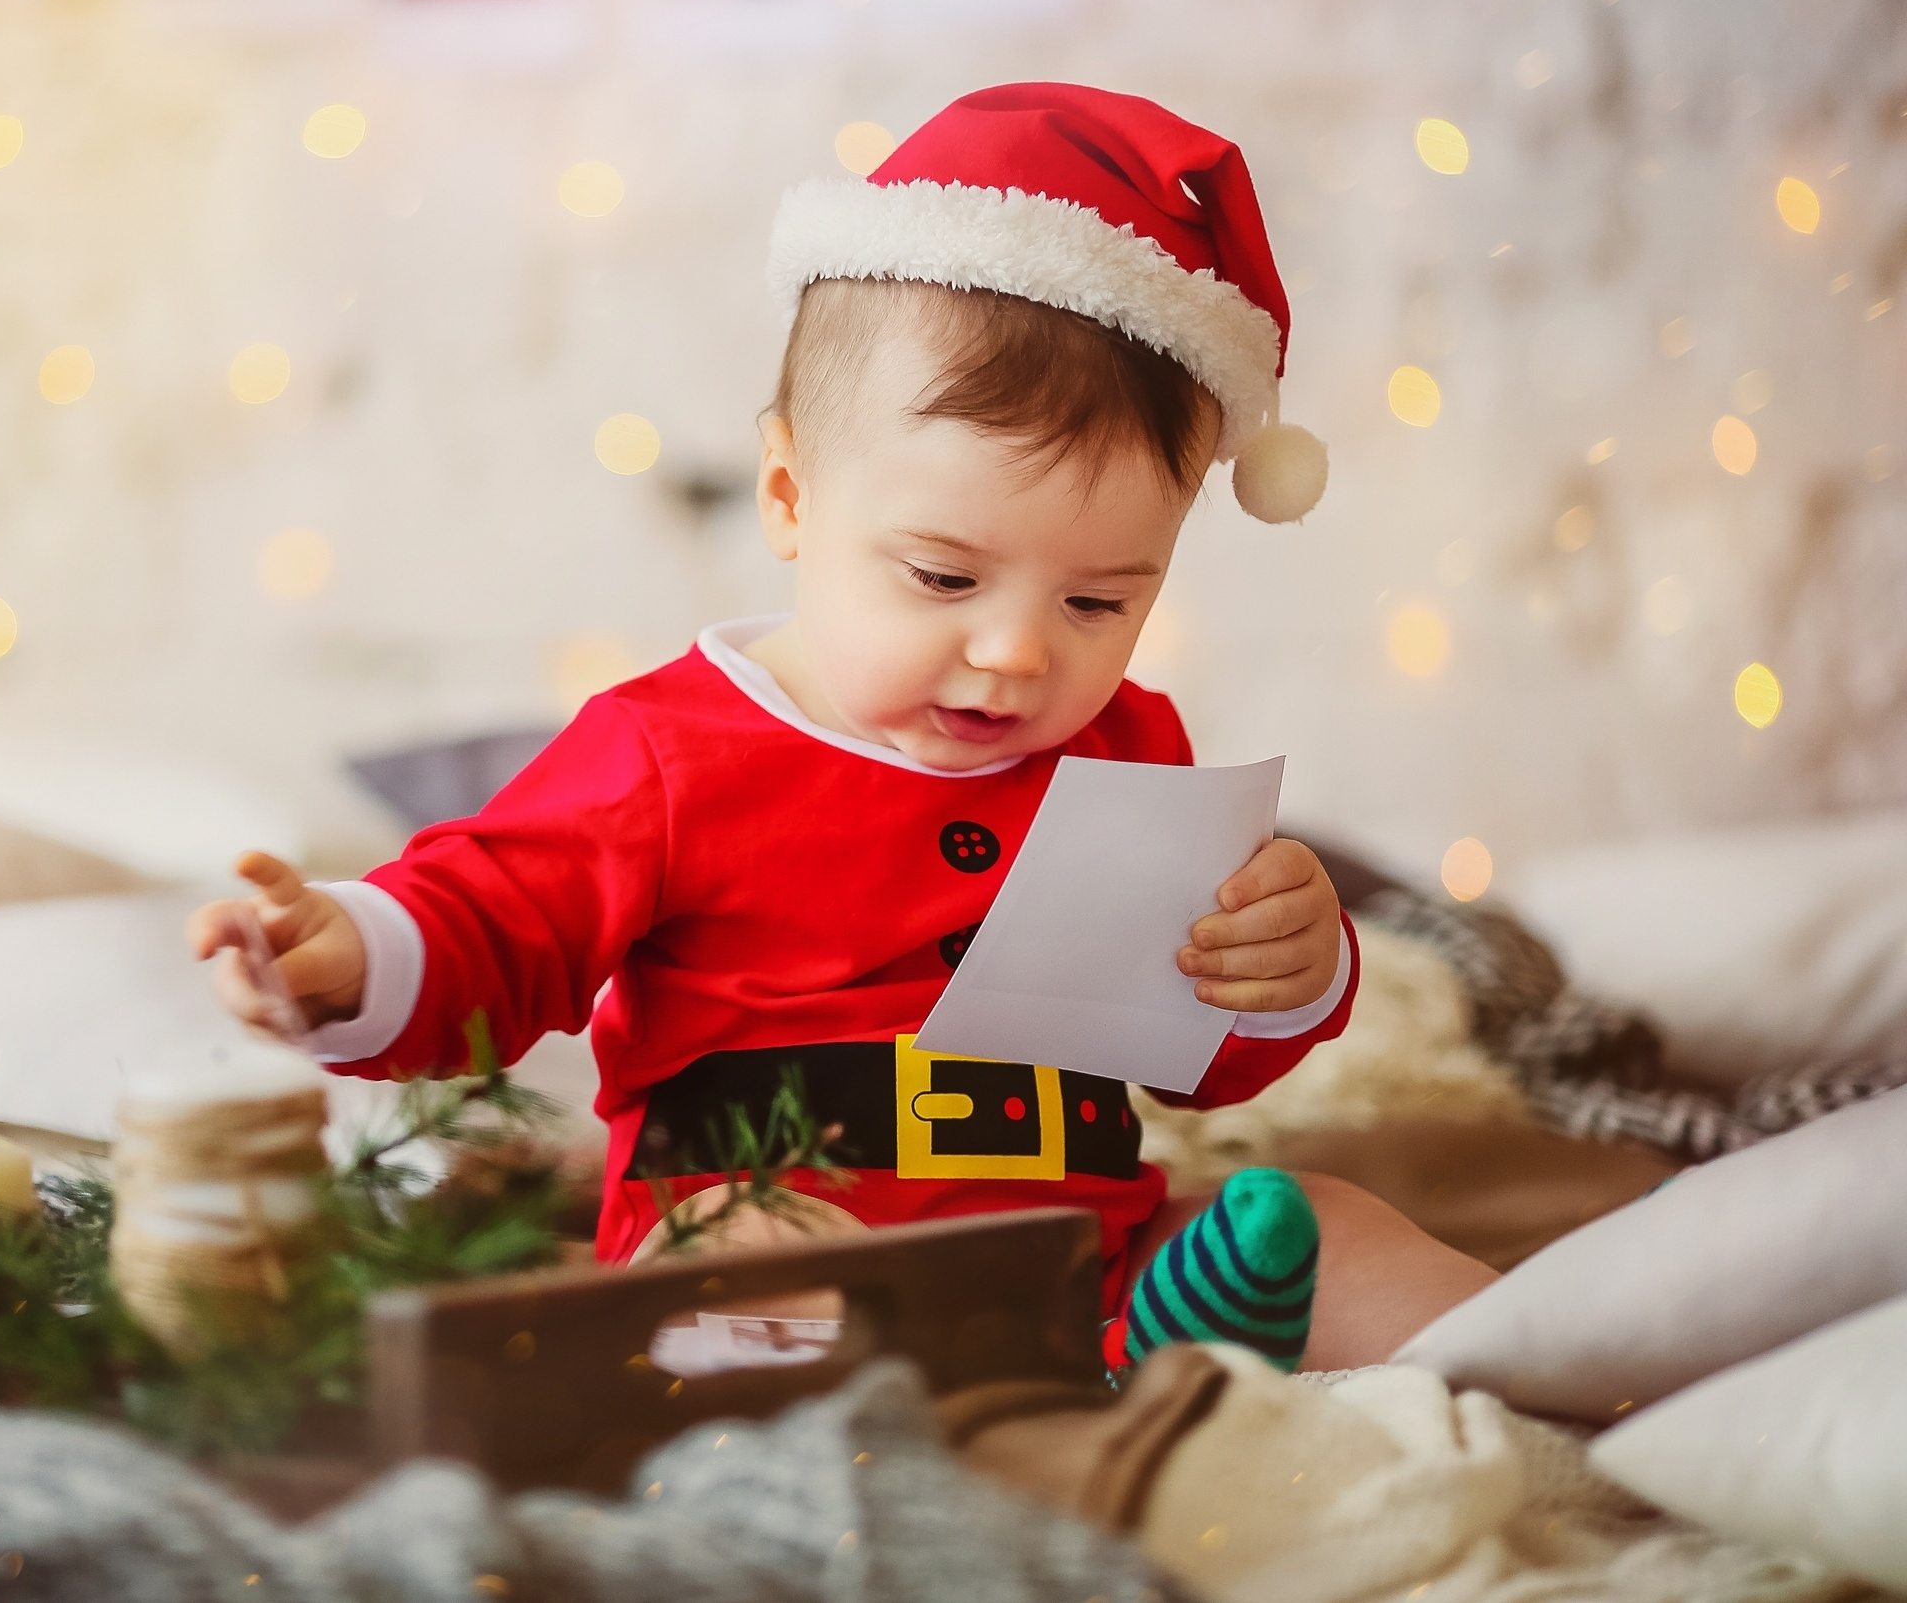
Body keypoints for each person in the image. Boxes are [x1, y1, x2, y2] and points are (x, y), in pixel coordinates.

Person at [191, 84, 1496, 1372]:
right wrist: (351, 951)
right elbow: (496, 918)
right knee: (747, 1271)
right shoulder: (669, 750)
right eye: (943, 577)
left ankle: (1528, 1354)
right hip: (776, 1211)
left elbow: (1194, 1064)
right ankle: (1072, 1380)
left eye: (1099, 601)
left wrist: (1290, 972)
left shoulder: (1125, 748)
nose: (1019, 652)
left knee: (1326, 1230)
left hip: (1078, 1241)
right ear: (790, 497)